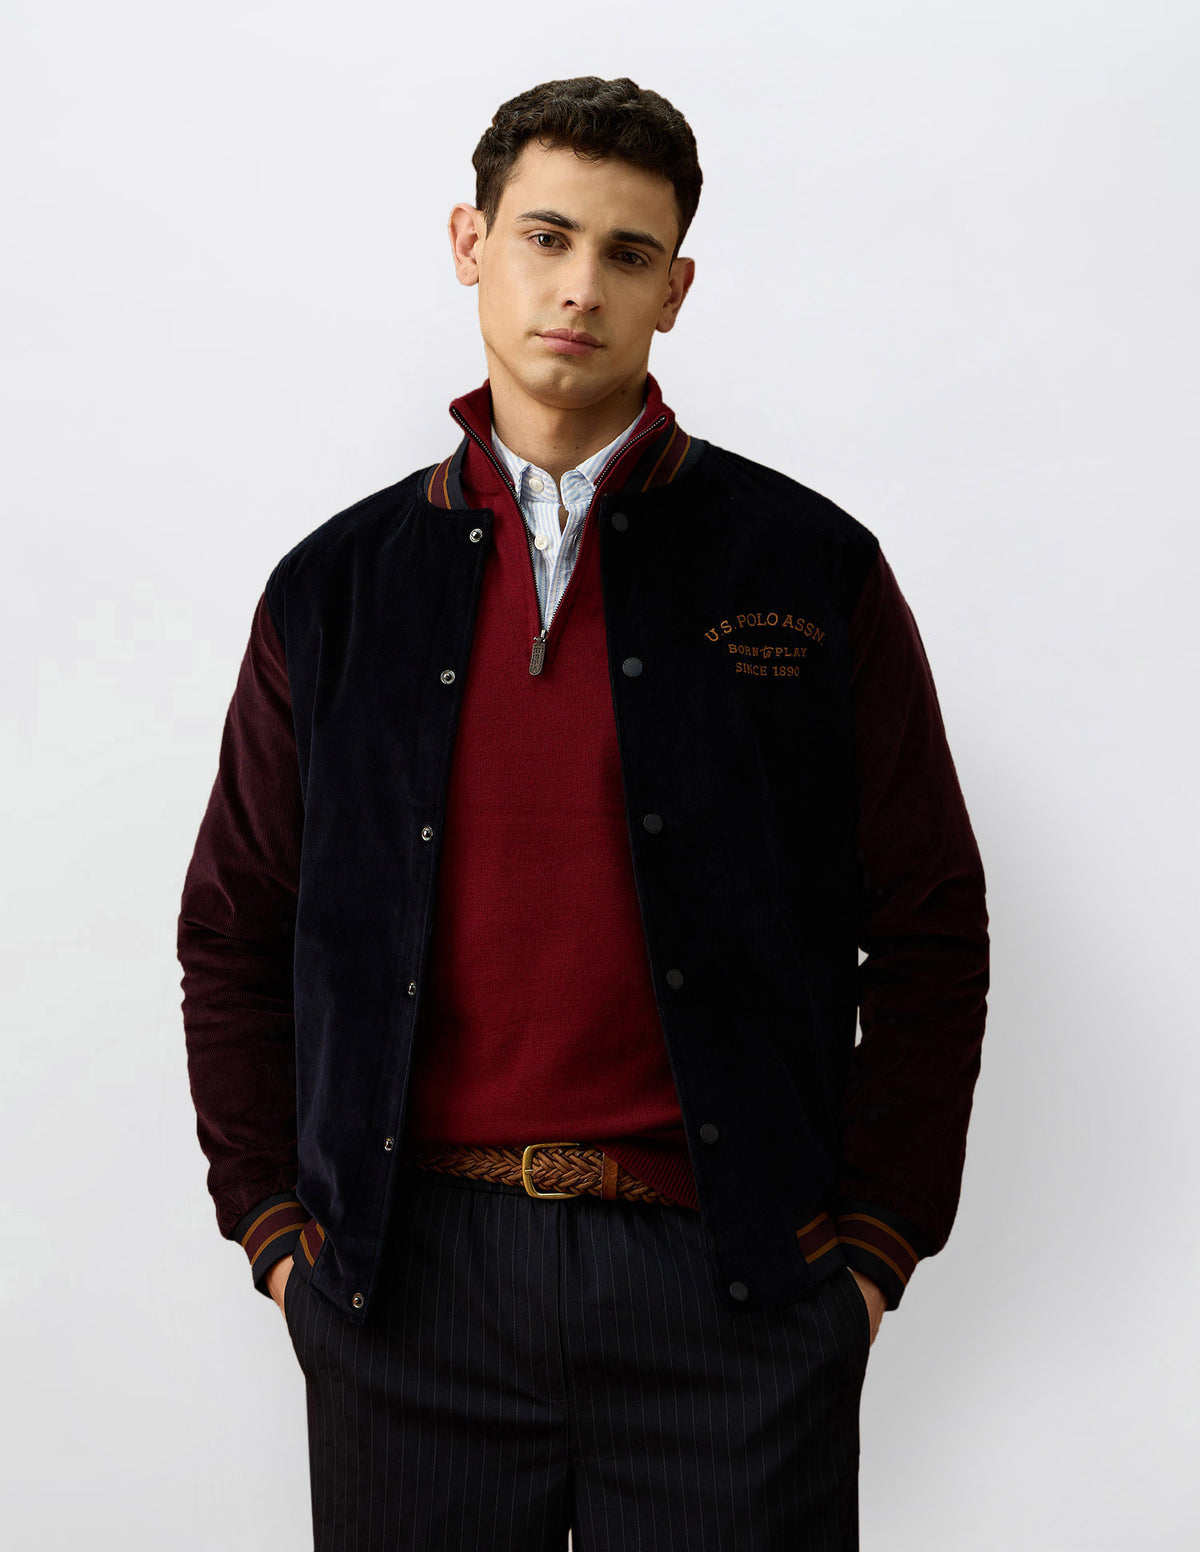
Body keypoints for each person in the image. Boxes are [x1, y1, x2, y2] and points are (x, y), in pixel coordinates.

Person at [177, 74, 989, 1552]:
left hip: (731, 1293)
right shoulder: (335, 588)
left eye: (628, 253)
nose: (579, 287)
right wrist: (277, 1234)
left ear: (676, 289)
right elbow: (233, 931)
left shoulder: (809, 569)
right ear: (469, 241)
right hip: (408, 1288)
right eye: (546, 237)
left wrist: (872, 1247)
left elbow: (930, 927)